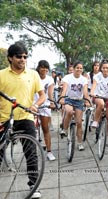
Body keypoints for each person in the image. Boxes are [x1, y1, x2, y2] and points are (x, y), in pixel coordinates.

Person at [0, 41, 46, 198]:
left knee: (31, 151)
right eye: (19, 56)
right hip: (4, 118)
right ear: (10, 58)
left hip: (26, 117)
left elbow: (42, 95)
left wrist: (36, 105)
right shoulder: (1, 75)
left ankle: (33, 184)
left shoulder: (33, 74)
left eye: (25, 56)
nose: (22, 59)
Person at [59, 61, 90, 151]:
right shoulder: (67, 78)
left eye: (81, 68)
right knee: (69, 111)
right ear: (73, 69)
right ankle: (64, 129)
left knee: (79, 123)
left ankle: (80, 143)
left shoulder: (84, 79)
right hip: (68, 99)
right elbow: (64, 89)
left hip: (79, 101)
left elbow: (85, 91)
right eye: (77, 68)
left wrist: (87, 100)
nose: (79, 69)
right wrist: (62, 98)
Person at [35, 60, 56, 161]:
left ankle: (49, 151)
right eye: (42, 67)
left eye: (46, 68)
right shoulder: (34, 77)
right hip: (33, 105)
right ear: (39, 68)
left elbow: (50, 93)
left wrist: (52, 102)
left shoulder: (50, 79)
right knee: (33, 128)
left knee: (45, 128)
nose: (44, 69)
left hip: (45, 105)